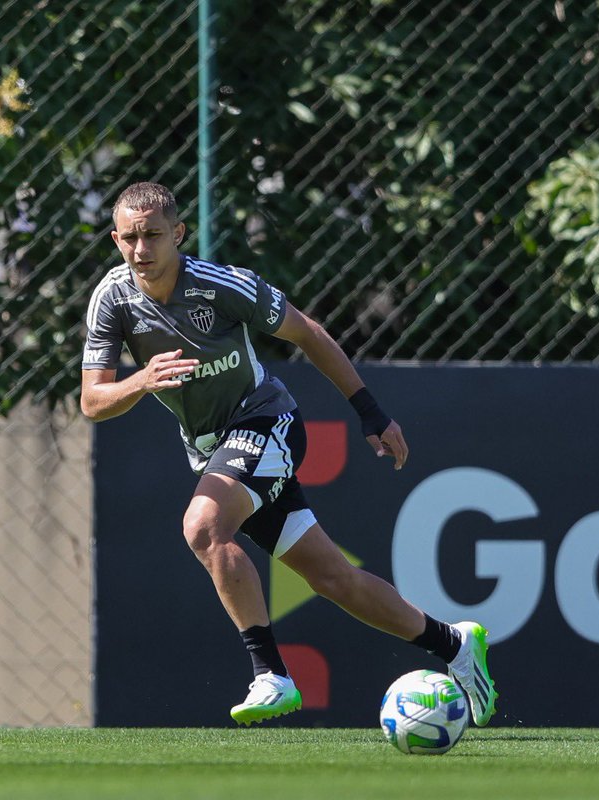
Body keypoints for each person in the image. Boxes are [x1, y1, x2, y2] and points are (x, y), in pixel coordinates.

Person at [80, 182, 497, 726]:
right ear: (116, 240)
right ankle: (454, 644)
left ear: (178, 234)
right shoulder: (111, 299)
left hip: (267, 421)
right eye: (130, 238)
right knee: (334, 579)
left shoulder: (221, 285)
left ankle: (270, 675)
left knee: (203, 526)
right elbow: (93, 401)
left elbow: (308, 333)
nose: (141, 249)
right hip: (212, 450)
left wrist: (370, 411)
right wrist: (141, 380)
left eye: (153, 235)